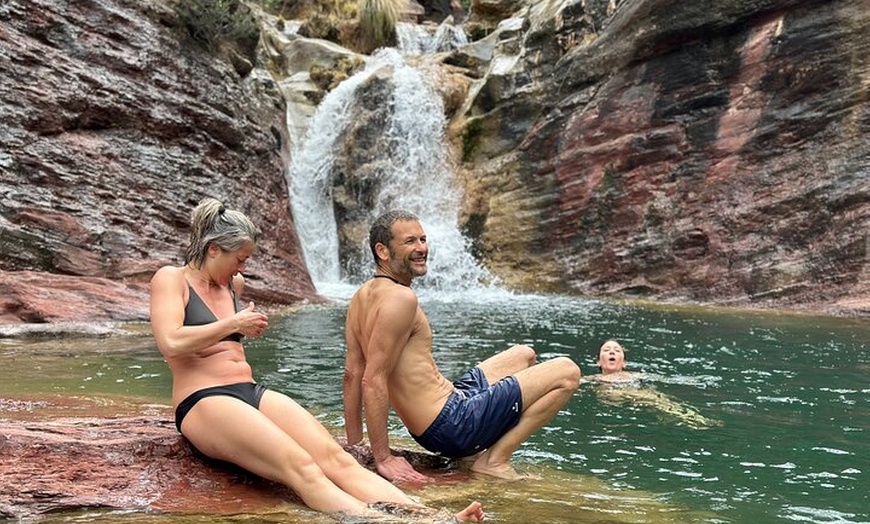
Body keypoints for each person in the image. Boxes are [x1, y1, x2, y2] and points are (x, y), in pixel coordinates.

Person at [149, 198, 484, 522]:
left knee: (337, 459)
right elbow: (171, 342)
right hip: (203, 400)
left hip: (248, 391)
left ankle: (433, 517)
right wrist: (234, 324)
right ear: (213, 250)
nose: (243, 269)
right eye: (240, 259)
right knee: (301, 467)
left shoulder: (232, 284)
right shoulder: (171, 279)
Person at [344, 210, 581, 482]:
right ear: (382, 251)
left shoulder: (361, 296)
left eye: (423, 239)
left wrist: (354, 445)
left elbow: (352, 373)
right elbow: (371, 379)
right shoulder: (401, 298)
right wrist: (383, 457)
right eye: (410, 241)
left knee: (523, 355)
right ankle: (494, 460)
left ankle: (474, 453)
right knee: (567, 371)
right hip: (452, 425)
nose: (422, 248)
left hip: (450, 405)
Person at [583, 339, 721, 429]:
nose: (612, 351)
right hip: (610, 396)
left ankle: (696, 419)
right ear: (598, 362)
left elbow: (663, 379)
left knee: (663, 400)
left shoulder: (633, 375)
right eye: (606, 350)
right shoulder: (594, 378)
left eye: (617, 350)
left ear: (624, 363)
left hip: (637, 394)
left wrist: (692, 381)